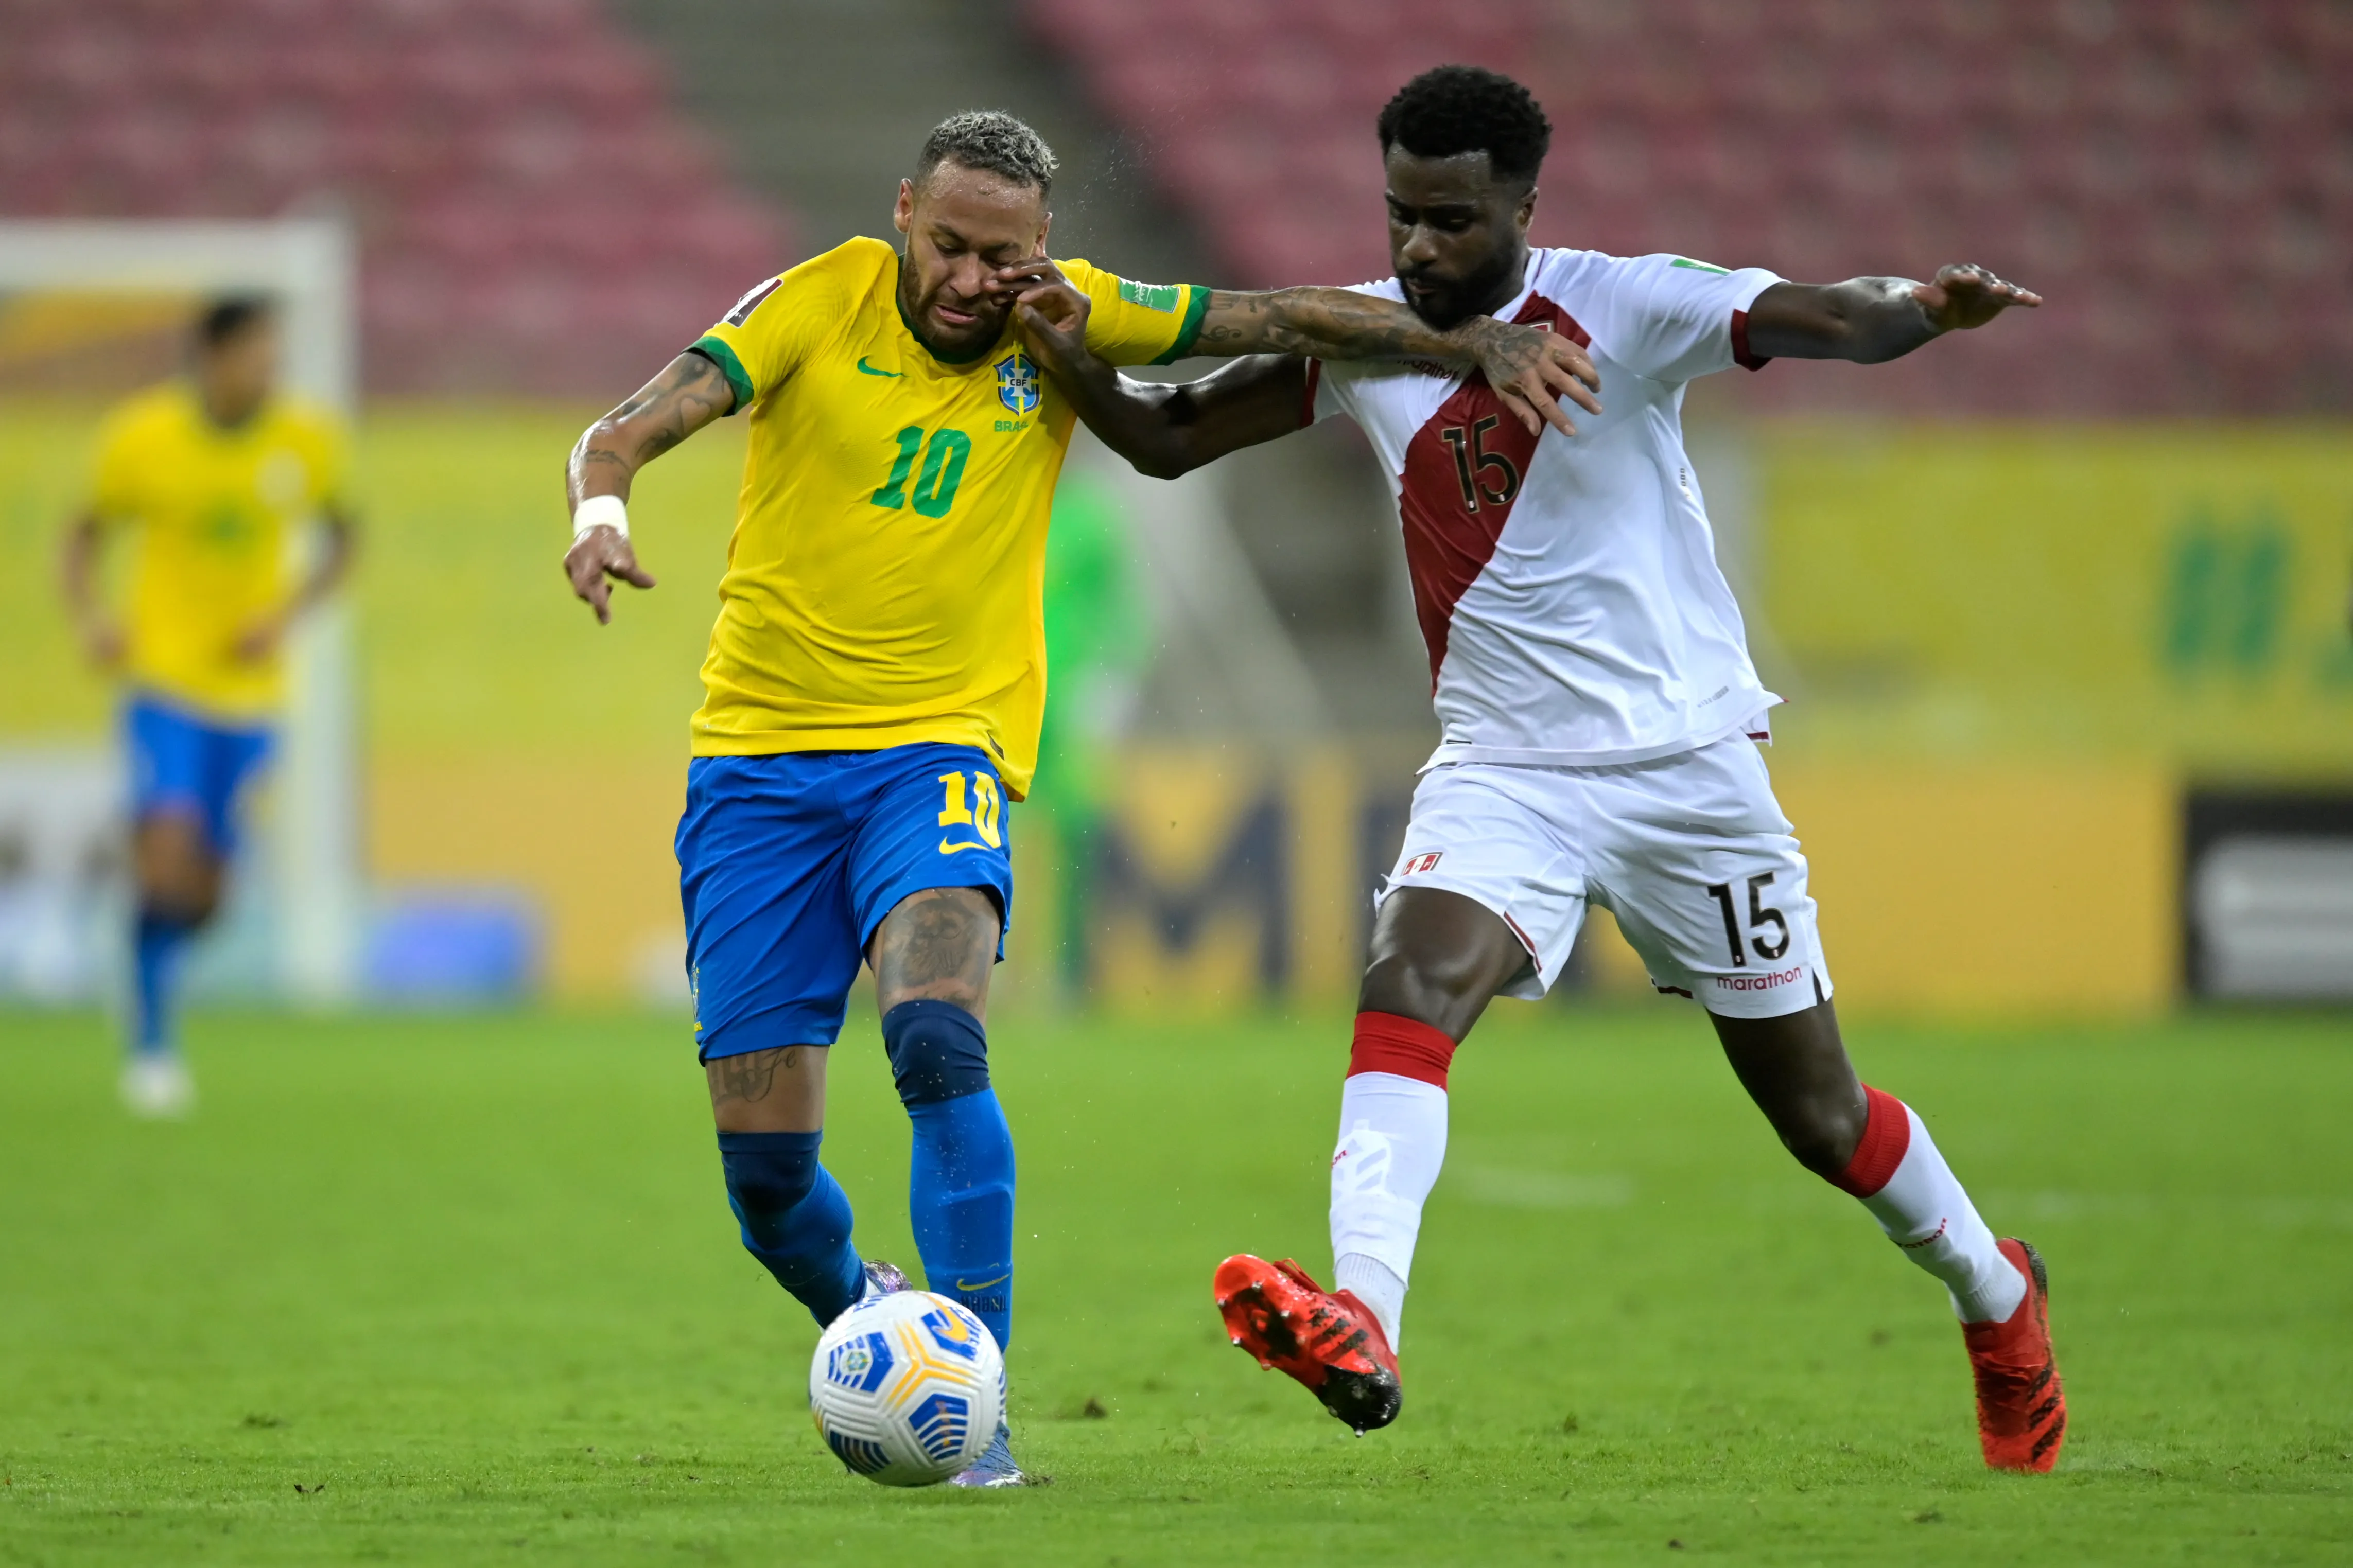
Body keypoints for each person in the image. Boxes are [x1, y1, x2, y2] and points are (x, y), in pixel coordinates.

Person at [1013, 66, 2065, 1473]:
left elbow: (1810, 313)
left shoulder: (1623, 303)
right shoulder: (1373, 340)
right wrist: (1072, 352)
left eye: (1449, 220)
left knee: (1818, 1114)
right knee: (1408, 979)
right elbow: (1168, 436)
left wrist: (1921, 311)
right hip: (1504, 767)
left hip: (1688, 770)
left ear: (1521, 205)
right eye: (1398, 215)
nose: (1416, 250)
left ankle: (1998, 1298)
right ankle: (1365, 1315)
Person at [559, 109, 1596, 1487]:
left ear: (1042, 249)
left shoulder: (1069, 317)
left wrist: (1465, 340)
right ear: (903, 216)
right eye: (951, 246)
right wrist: (600, 513)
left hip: (941, 749)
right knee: (764, 1190)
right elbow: (620, 430)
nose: (977, 280)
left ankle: (976, 1409)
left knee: (936, 1035)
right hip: (756, 767)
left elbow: (1278, 311)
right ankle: (871, 1310)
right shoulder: (818, 299)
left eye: (1007, 255)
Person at [61, 296, 357, 1119]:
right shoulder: (141, 437)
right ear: (212, 356)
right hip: (164, 681)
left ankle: (140, 947)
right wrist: (93, 619)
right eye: (259, 353)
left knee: (208, 897)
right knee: (168, 844)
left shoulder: (305, 441)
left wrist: (288, 615)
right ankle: (152, 1046)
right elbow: (83, 535)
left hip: (253, 696)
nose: (271, 368)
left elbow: (345, 538)